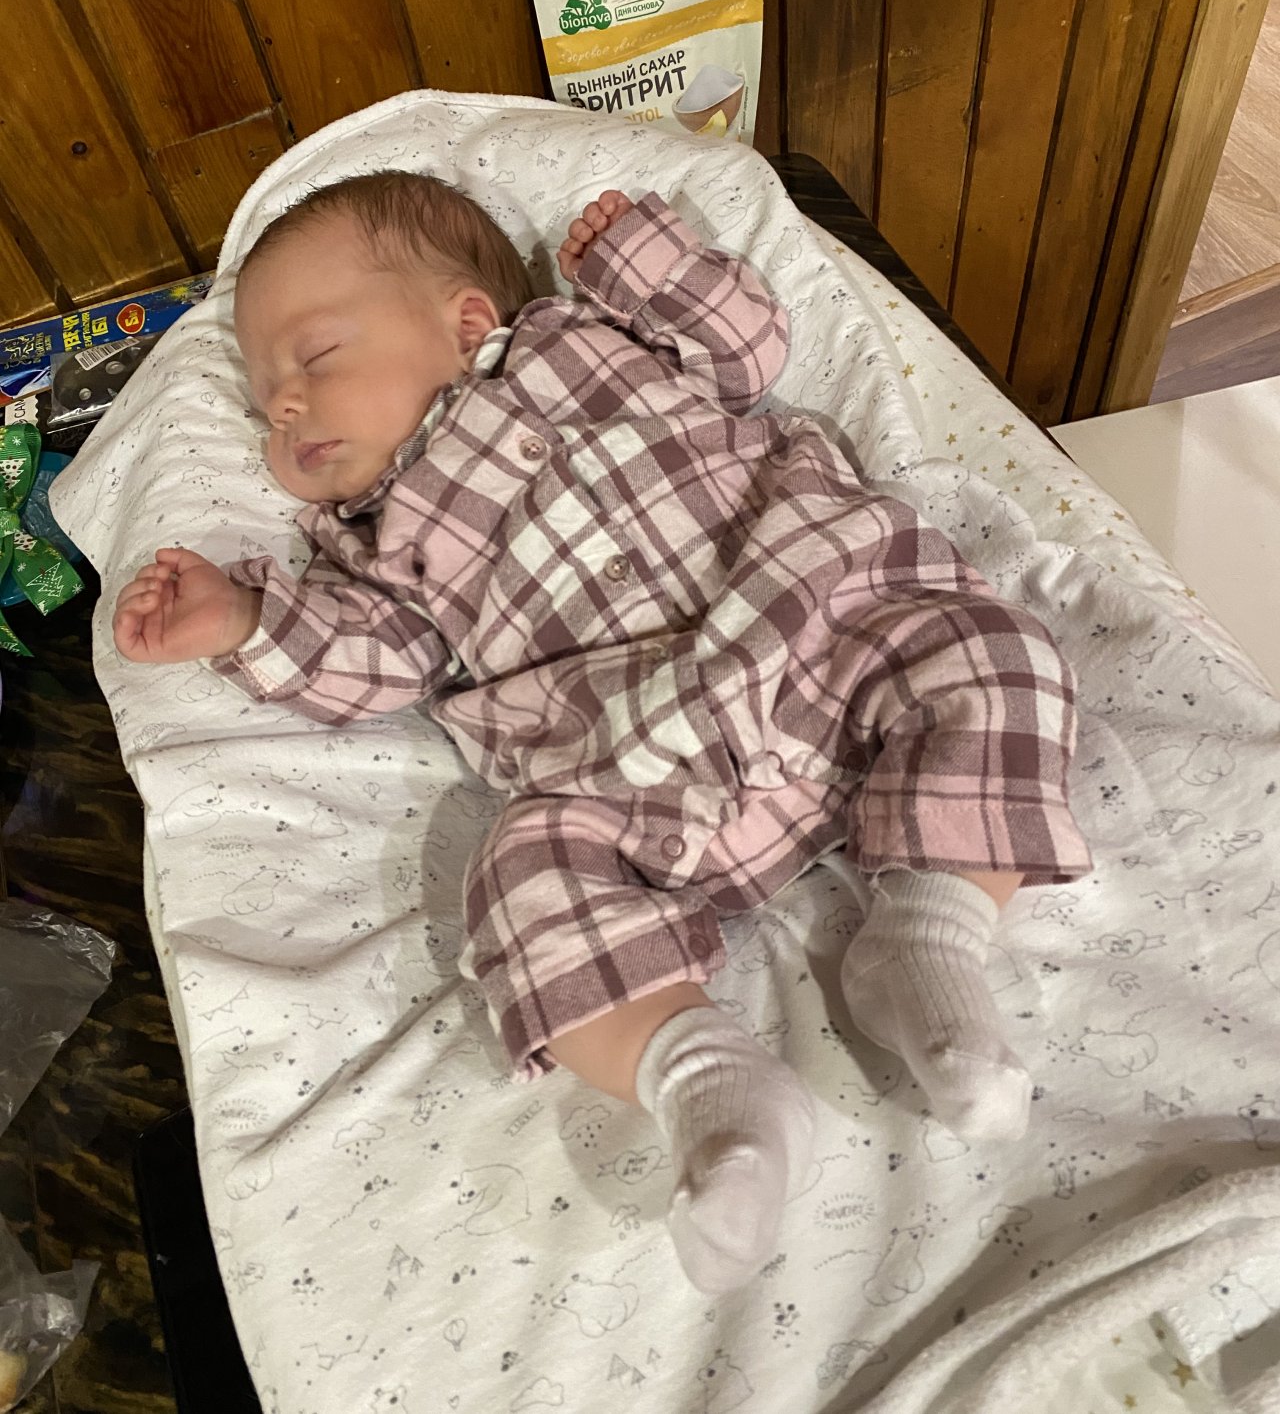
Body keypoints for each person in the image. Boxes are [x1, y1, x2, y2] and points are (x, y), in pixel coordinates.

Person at [113, 169, 1093, 1294]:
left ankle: (927, 933)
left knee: (989, 652)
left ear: (467, 322)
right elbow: (372, 663)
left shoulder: (589, 341)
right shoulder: (370, 545)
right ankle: (708, 1083)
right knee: (521, 873)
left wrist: (641, 261)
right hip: (635, 757)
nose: (285, 404)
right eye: (264, 397)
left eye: (315, 357)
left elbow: (746, 349)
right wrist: (244, 618)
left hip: (820, 621)